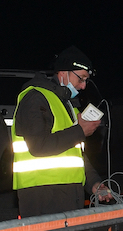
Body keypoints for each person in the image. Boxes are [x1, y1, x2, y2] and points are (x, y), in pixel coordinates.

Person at [11, 46, 112, 217]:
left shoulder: (66, 104)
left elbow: (74, 154)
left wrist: (94, 184)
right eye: (81, 78)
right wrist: (80, 130)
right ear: (63, 73)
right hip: (42, 197)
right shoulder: (35, 98)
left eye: (86, 80)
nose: (83, 85)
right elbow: (38, 145)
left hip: (67, 197)